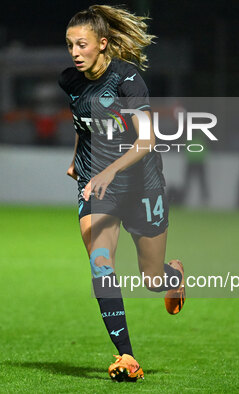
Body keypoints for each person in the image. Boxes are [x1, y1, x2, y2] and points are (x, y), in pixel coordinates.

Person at [58, 5, 185, 382]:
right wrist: (76, 161)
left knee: (151, 279)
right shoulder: (71, 80)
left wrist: (111, 170)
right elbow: (84, 122)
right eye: (69, 46)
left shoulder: (128, 81)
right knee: (101, 264)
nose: (75, 53)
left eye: (82, 45)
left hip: (141, 183)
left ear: (103, 43)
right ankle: (127, 356)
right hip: (97, 184)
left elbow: (148, 140)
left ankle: (173, 277)